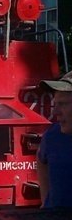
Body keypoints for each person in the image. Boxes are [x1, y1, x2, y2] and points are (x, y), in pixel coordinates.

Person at [37, 71, 72, 208]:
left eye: (62, 104)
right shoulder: (53, 136)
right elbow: (41, 159)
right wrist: (46, 204)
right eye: (55, 104)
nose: (54, 112)